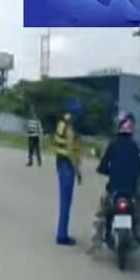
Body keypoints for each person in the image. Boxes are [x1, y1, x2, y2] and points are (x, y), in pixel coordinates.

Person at [88, 113, 140, 254]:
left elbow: (102, 167)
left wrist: (109, 171)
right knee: (139, 211)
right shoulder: (134, 146)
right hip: (131, 190)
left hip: (114, 189)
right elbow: (139, 169)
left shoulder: (113, 145)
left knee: (101, 214)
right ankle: (136, 233)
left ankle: (96, 242)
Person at [52, 98, 83, 245]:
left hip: (60, 162)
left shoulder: (61, 123)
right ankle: (62, 235)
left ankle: (61, 232)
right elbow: (70, 151)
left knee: (64, 201)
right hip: (67, 165)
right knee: (66, 202)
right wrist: (77, 171)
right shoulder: (69, 127)